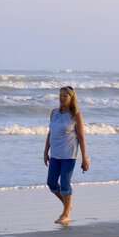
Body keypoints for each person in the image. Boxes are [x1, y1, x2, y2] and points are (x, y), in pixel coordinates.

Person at [43, 86, 90, 225]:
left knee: (64, 184)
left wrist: (85, 157)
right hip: (55, 155)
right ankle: (67, 204)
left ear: (71, 98)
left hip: (69, 155)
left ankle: (66, 213)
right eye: (61, 95)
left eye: (65, 96)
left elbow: (81, 137)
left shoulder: (76, 115)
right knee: (51, 183)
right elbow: (50, 133)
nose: (62, 98)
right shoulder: (54, 113)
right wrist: (45, 151)